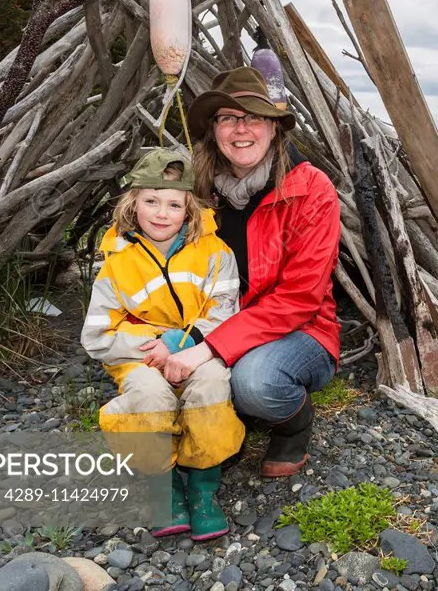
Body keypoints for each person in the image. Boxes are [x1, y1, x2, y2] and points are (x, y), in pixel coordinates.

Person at [166, 66, 341, 478]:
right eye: (228, 117)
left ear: (275, 128)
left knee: (253, 384)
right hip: (217, 317)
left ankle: (293, 423)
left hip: (300, 329)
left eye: (254, 117)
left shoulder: (311, 189)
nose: (240, 129)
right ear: (214, 129)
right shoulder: (199, 191)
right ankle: (219, 431)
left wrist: (207, 349)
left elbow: (300, 299)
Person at [81, 148, 244, 541]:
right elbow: (96, 336)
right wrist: (152, 343)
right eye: (151, 201)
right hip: (139, 355)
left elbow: (226, 312)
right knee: (149, 394)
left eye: (174, 204)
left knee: (211, 388)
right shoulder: (117, 263)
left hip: (197, 347)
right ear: (132, 204)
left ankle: (203, 489)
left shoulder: (215, 253)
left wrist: (177, 343)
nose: (161, 212)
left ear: (189, 210)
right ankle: (164, 485)